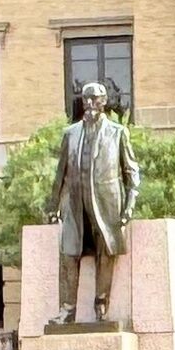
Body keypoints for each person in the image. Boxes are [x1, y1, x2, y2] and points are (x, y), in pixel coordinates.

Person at [51, 80, 141, 324]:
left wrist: (129, 206)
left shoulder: (118, 132)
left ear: (104, 102)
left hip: (106, 204)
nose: (90, 103)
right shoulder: (70, 134)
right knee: (69, 253)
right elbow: (61, 173)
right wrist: (53, 205)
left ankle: (101, 303)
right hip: (76, 204)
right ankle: (67, 310)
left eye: (96, 99)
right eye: (86, 99)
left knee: (105, 252)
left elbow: (131, 172)